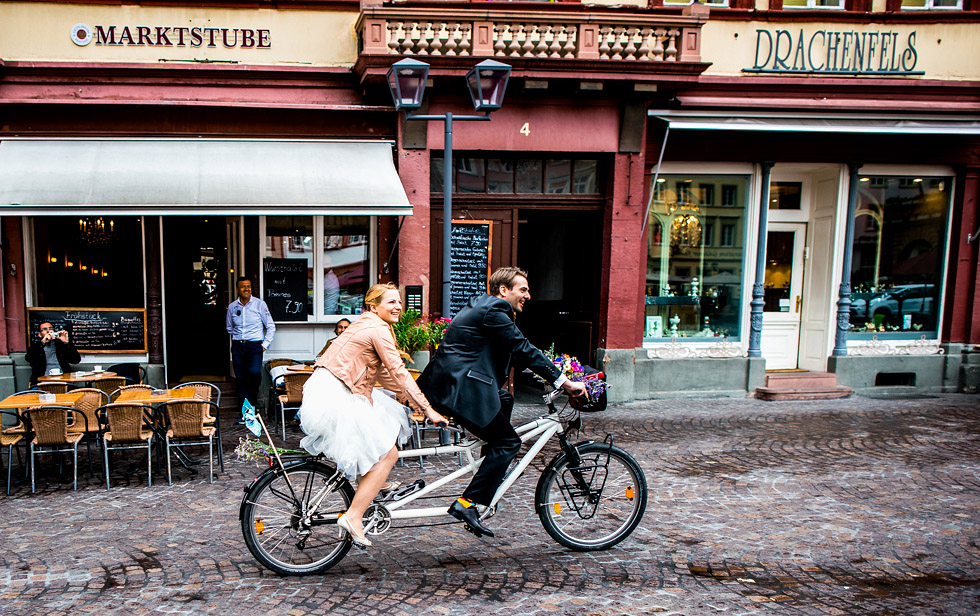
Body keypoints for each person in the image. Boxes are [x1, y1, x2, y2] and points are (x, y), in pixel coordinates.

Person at [418, 266, 587, 538]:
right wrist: (564, 382)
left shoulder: (485, 307)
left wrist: (547, 374)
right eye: (523, 289)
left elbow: (515, 353)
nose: (528, 296)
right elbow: (521, 347)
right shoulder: (496, 310)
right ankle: (467, 503)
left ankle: (491, 463)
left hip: (449, 385)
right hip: (459, 390)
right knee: (509, 441)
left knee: (504, 398)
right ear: (503, 290)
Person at [299, 283, 448, 547]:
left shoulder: (363, 325)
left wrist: (412, 398)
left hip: (331, 389)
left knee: (375, 439)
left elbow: (381, 376)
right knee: (388, 453)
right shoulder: (377, 329)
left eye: (399, 302)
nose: (398, 307)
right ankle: (354, 516)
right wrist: (427, 408)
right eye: (390, 302)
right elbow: (398, 371)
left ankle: (373, 484)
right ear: (373, 307)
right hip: (337, 393)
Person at [226, 277, 276, 423]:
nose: (246, 289)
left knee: (254, 374)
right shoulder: (232, 307)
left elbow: (271, 326)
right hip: (238, 346)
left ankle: (252, 404)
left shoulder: (260, 304)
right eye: (243, 287)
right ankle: (247, 414)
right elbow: (229, 327)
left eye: (248, 286)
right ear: (237, 289)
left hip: (255, 346)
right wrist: (238, 339)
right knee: (241, 379)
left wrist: (265, 344)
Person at [26, 321, 81, 387]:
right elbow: (30, 359)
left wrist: (66, 343)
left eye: (50, 328)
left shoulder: (60, 345)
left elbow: (76, 360)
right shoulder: (36, 347)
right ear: (40, 334)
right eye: (44, 329)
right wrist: (42, 343)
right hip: (42, 382)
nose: (48, 331)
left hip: (63, 381)